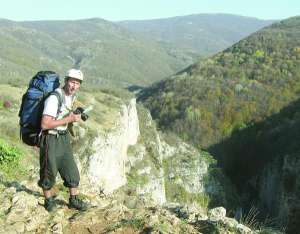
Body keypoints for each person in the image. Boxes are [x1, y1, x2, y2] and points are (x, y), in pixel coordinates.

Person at [38, 68, 88, 212]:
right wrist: (70, 119)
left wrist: (76, 114)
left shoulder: (71, 97)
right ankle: (48, 201)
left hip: (63, 137)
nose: (74, 86)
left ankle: (73, 200)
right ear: (66, 81)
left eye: (77, 83)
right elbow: (45, 124)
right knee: (49, 171)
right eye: (72, 82)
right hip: (50, 138)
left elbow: (64, 114)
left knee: (71, 170)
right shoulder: (54, 98)